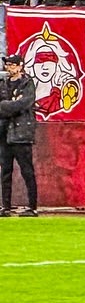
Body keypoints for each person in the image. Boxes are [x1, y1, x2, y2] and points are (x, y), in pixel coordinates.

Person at [0, 53, 38, 216]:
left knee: (27, 171)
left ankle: (32, 207)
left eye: (12, 65)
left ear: (20, 65)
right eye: (8, 65)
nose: (9, 68)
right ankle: (6, 206)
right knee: (5, 171)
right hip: (5, 132)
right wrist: (10, 105)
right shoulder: (3, 84)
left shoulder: (27, 83)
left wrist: (6, 106)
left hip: (22, 133)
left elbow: (25, 103)